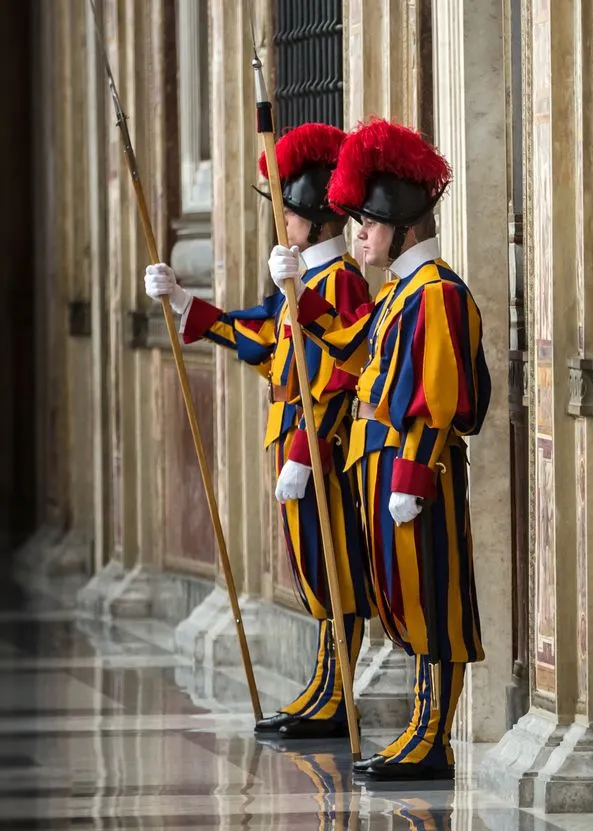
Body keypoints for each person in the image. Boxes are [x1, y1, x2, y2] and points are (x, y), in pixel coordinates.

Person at [273, 117, 491, 781]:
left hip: (410, 471)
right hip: (382, 466)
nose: (356, 232)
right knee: (404, 603)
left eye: (366, 219)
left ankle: (433, 738)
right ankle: (420, 732)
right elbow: (356, 355)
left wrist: (412, 475)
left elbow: (438, 396)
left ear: (403, 223)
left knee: (434, 605)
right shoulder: (398, 294)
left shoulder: (438, 294)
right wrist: (300, 303)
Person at [144, 122, 373, 740]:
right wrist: (188, 303)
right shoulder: (299, 280)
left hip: (320, 447)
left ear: (316, 220)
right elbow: (263, 335)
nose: (282, 224)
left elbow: (335, 379)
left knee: (334, 569)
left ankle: (337, 690)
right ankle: (325, 682)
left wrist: (302, 453)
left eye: (289, 214)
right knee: (312, 571)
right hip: (291, 437)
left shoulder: (340, 282)